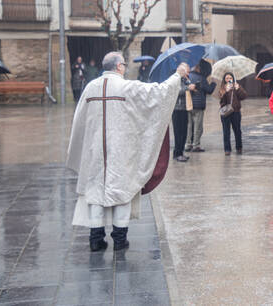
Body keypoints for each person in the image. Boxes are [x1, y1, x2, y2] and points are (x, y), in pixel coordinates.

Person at [67, 51, 188, 251]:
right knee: (122, 190)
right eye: (123, 64)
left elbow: (79, 121)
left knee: (95, 191)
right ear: (119, 67)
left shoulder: (90, 88)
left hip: (94, 150)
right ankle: (120, 239)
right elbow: (159, 93)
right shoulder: (126, 86)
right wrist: (178, 74)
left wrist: (81, 149)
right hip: (120, 150)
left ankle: (96, 239)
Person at [185, 65, 216, 153]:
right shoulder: (201, 78)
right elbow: (209, 90)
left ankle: (187, 144)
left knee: (189, 126)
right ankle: (196, 145)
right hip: (198, 106)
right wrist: (213, 82)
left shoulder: (187, 77)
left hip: (188, 105)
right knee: (198, 127)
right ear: (198, 69)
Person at [219, 72, 247, 155]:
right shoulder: (222, 88)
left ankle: (239, 147)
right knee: (226, 131)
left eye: (230, 78)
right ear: (224, 79)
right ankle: (227, 149)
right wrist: (225, 92)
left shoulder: (236, 86)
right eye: (227, 78)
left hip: (235, 111)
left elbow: (244, 96)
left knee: (237, 130)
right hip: (225, 112)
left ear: (233, 79)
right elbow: (221, 100)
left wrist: (238, 89)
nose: (228, 80)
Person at [172, 76, 193, 162]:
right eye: (187, 71)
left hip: (185, 108)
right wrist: (187, 88)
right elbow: (177, 91)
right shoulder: (175, 80)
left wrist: (190, 85)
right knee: (178, 133)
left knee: (184, 132)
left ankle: (181, 152)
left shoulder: (185, 80)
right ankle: (177, 153)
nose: (188, 73)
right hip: (177, 109)